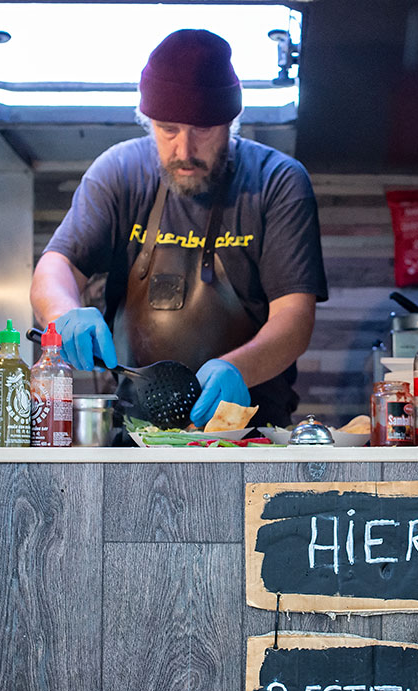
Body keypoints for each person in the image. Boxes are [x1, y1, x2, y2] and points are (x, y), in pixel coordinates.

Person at [30, 28, 327, 429]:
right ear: (147, 120)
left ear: (230, 122)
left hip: (248, 432)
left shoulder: (277, 182)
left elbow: (295, 320)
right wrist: (63, 313)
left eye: (202, 130)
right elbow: (54, 268)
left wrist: (236, 368)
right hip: (134, 432)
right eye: (168, 129)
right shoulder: (119, 173)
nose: (184, 151)